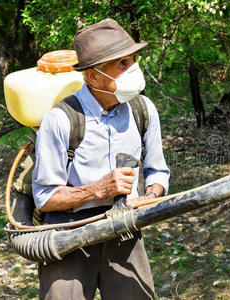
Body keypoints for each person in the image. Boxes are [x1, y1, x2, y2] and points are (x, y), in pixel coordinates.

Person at [31, 18, 170, 300]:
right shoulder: (61, 119)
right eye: (122, 64)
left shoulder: (143, 110)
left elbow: (157, 172)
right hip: (69, 231)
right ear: (93, 77)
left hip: (124, 226)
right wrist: (99, 189)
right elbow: (44, 197)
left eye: (133, 60)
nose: (134, 70)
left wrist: (150, 194)